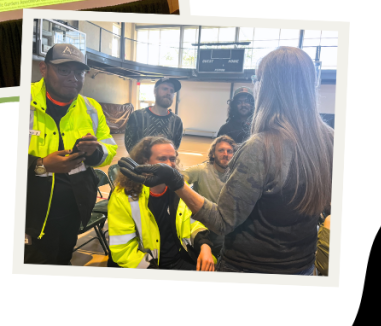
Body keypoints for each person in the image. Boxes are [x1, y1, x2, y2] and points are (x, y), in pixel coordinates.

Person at [121, 47, 333, 275]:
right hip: (301, 265)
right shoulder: (330, 140)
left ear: (267, 86)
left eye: (256, 80)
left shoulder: (261, 146)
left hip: (250, 267)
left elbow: (223, 221)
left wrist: (176, 182)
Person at [24, 43, 118, 265]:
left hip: (73, 208)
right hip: (31, 210)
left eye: (79, 72)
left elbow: (109, 148)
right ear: (44, 69)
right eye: (64, 70)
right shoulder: (21, 100)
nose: (73, 78)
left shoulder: (91, 108)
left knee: (63, 259)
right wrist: (41, 164)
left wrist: (95, 152)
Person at [107, 136, 216, 270]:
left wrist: (204, 246)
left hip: (180, 257)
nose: (169, 164)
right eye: (162, 159)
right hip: (148, 265)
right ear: (145, 162)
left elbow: (192, 221)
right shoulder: (123, 196)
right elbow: (123, 248)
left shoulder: (179, 188)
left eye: (172, 159)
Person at [181, 135, 236, 258]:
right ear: (213, 154)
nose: (225, 154)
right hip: (203, 229)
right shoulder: (201, 170)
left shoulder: (236, 175)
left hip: (225, 230)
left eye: (229, 151)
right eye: (221, 150)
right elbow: (178, 181)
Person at [123, 78, 184, 150]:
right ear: (155, 91)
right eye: (165, 89)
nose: (169, 93)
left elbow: (174, 149)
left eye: (172, 91)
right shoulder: (137, 117)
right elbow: (131, 148)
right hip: (140, 161)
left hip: (165, 161)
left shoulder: (177, 122)